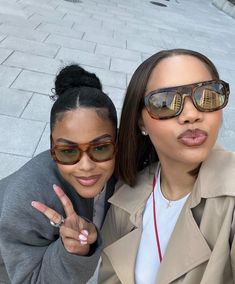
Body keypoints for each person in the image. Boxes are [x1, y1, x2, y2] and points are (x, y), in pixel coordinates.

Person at [98, 48, 235, 284]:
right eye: (165, 103)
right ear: (141, 121)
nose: (191, 114)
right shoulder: (126, 197)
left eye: (207, 95)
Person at [0, 64, 117, 284]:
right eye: (68, 151)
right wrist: (71, 251)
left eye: (100, 148)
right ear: (52, 147)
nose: (85, 165)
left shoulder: (123, 167)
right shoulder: (28, 199)